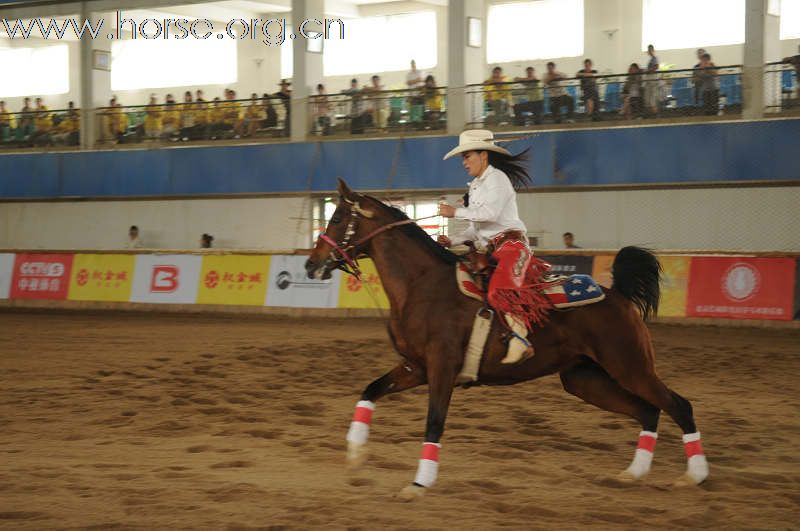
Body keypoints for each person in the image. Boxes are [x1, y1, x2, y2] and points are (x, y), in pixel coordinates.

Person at [437, 129, 538, 364]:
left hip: (512, 245)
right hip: (492, 249)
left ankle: (520, 340)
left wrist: (455, 212)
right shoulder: (475, 186)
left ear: (484, 155)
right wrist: (452, 241)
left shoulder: (497, 179)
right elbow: (477, 228)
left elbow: (489, 214)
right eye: (463, 157)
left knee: (498, 290)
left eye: (467, 156)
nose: (464, 162)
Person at [644, 44, 661, 116]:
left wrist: (648, 71)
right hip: (649, 81)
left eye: (650, 50)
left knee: (652, 100)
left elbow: (656, 67)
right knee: (648, 100)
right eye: (648, 50)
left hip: (653, 81)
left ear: (653, 50)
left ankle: (656, 115)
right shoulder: (651, 59)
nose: (649, 51)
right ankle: (651, 115)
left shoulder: (654, 58)